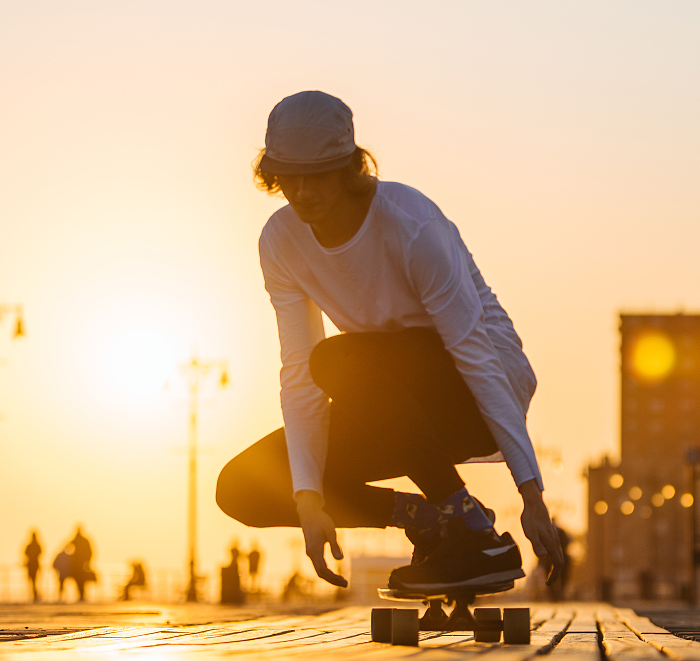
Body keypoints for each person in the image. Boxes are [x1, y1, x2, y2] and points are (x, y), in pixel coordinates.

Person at [216, 91, 564, 595]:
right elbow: (298, 375)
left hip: (475, 392)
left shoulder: (410, 224)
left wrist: (531, 495)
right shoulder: (280, 242)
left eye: (318, 175)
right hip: (382, 400)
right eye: (290, 175)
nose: (303, 191)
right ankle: (428, 519)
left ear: (349, 168)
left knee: (337, 359)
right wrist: (310, 502)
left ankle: (470, 529)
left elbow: (477, 357)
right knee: (245, 486)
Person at [24, 529, 43, 602]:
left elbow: (26, 553)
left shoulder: (30, 545)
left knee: (33, 580)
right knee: (33, 580)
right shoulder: (36, 545)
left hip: (33, 565)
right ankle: (34, 594)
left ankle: (34, 594)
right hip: (34, 564)